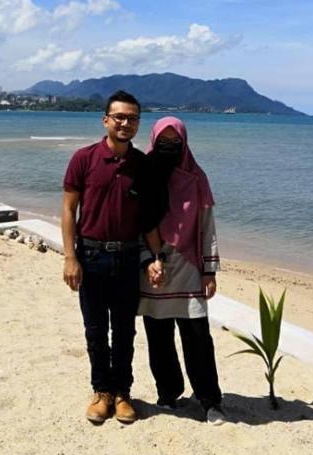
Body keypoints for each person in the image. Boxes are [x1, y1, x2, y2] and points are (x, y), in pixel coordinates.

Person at [62, 90, 159, 425]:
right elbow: (68, 209)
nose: (125, 123)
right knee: (94, 329)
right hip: (90, 257)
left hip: (128, 258)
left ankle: (122, 393)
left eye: (132, 118)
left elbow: (148, 219)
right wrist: (70, 258)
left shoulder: (142, 165)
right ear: (105, 120)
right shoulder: (84, 159)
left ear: (138, 124)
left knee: (124, 331)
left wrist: (156, 256)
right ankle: (101, 392)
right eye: (119, 117)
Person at [139, 116, 225, 424]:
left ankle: (209, 400)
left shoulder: (196, 178)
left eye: (176, 143)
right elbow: (134, 222)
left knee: (198, 338)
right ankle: (168, 394)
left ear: (185, 143)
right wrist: (147, 260)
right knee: (158, 337)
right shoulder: (144, 172)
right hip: (153, 267)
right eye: (164, 142)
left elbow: (206, 227)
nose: (170, 147)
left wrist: (210, 271)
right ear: (154, 140)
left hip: (189, 266)